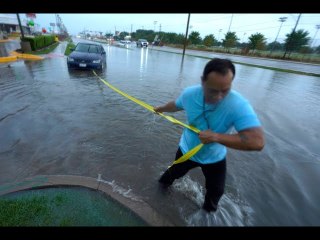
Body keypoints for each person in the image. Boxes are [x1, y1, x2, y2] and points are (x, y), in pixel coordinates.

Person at [153, 58, 265, 212]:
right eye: (213, 90)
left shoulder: (238, 104)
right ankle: (157, 202)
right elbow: (176, 104)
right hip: (187, 151)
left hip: (215, 157)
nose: (219, 97)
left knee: (215, 193)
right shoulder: (190, 94)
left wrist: (216, 137)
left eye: (225, 90)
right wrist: (161, 108)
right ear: (203, 81)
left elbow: (257, 142)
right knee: (167, 178)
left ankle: (206, 216)